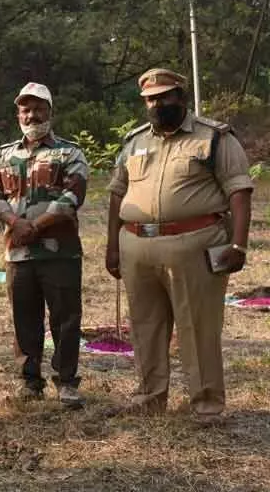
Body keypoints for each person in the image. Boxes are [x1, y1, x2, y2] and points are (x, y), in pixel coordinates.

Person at [105, 68, 253, 422]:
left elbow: (239, 192)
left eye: (165, 96)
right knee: (145, 326)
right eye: (151, 99)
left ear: (181, 97)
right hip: (137, 247)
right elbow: (116, 194)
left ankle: (206, 404)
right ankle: (149, 396)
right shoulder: (135, 141)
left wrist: (239, 245)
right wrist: (112, 246)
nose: (158, 104)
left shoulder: (214, 138)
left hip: (194, 245)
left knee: (198, 326)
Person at [0, 83, 88, 407]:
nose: (32, 115)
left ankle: (67, 381)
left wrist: (36, 226)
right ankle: (30, 380)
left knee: (65, 318)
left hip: (60, 252)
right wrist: (16, 224)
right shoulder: (3, 155)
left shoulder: (69, 153)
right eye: (25, 109)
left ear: (50, 111)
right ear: (18, 114)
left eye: (38, 108)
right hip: (18, 253)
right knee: (23, 318)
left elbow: (72, 197)